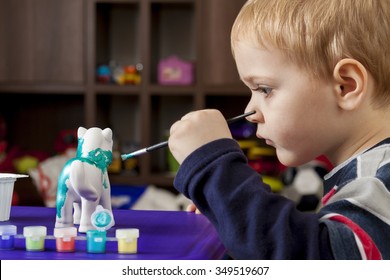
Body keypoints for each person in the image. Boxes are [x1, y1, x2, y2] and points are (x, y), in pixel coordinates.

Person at [168, 0, 390, 259]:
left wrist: (213, 167)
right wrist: (233, 222)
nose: (251, 112)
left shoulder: (380, 179)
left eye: (265, 89)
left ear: (346, 86)